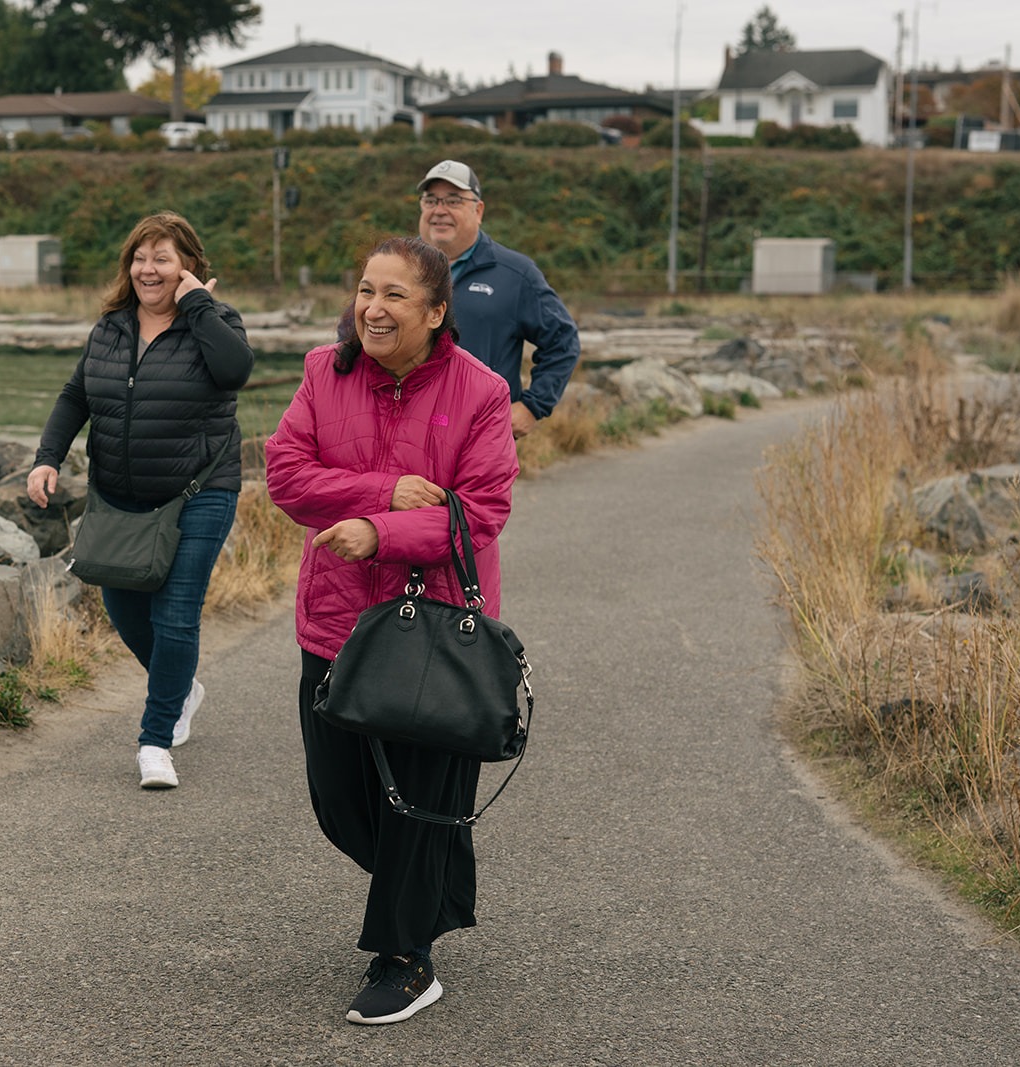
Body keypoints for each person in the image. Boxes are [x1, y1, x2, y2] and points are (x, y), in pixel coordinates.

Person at [266, 236, 518, 1025]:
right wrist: (380, 494)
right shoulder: (321, 370)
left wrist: (382, 534)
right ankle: (430, 880)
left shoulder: (479, 392)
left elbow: (481, 512)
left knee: (417, 797)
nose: (372, 308)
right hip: (338, 620)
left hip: (434, 629)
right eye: (365, 290)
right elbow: (285, 474)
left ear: (437, 312)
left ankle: (405, 954)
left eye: (395, 295)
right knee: (339, 797)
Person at [27, 211, 253, 789]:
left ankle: (155, 742)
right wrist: (48, 457)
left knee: (174, 614)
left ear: (189, 268)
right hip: (120, 495)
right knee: (123, 611)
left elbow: (235, 372)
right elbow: (77, 393)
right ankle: (180, 687)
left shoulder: (216, 321)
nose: (148, 269)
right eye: (140, 257)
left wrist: (198, 305)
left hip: (198, 490)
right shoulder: (111, 328)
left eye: (163, 258)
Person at [416, 158, 581, 439]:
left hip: (480, 440)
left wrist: (532, 406)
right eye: (431, 200)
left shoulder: (516, 274)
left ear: (478, 210)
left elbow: (563, 341)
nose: (439, 211)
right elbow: (354, 339)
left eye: (453, 201)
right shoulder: (397, 267)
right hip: (406, 434)